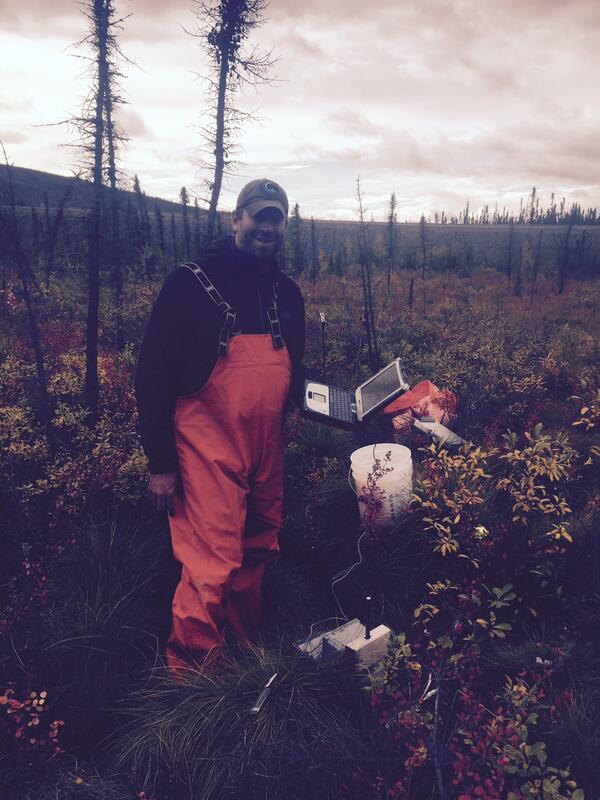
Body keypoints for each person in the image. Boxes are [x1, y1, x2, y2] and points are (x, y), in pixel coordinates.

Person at [135, 179, 305, 674]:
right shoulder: (189, 284)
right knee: (211, 562)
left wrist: (326, 408)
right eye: (257, 216)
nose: (266, 226)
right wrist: (161, 464)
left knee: (258, 544)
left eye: (275, 218)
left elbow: (294, 365)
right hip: (206, 448)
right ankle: (193, 678)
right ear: (236, 219)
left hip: (266, 445)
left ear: (284, 225)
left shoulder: (286, 293)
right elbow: (151, 376)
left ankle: (240, 646)